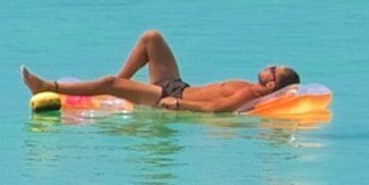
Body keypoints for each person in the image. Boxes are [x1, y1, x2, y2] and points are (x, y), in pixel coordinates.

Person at [23, 31, 299, 112]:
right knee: (151, 38)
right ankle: (123, 84)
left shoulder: (250, 92)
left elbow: (217, 108)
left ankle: (47, 86)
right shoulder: (249, 86)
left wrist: (178, 105)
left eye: (273, 69)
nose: (267, 66)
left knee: (107, 82)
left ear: (273, 84)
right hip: (177, 85)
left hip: (165, 97)